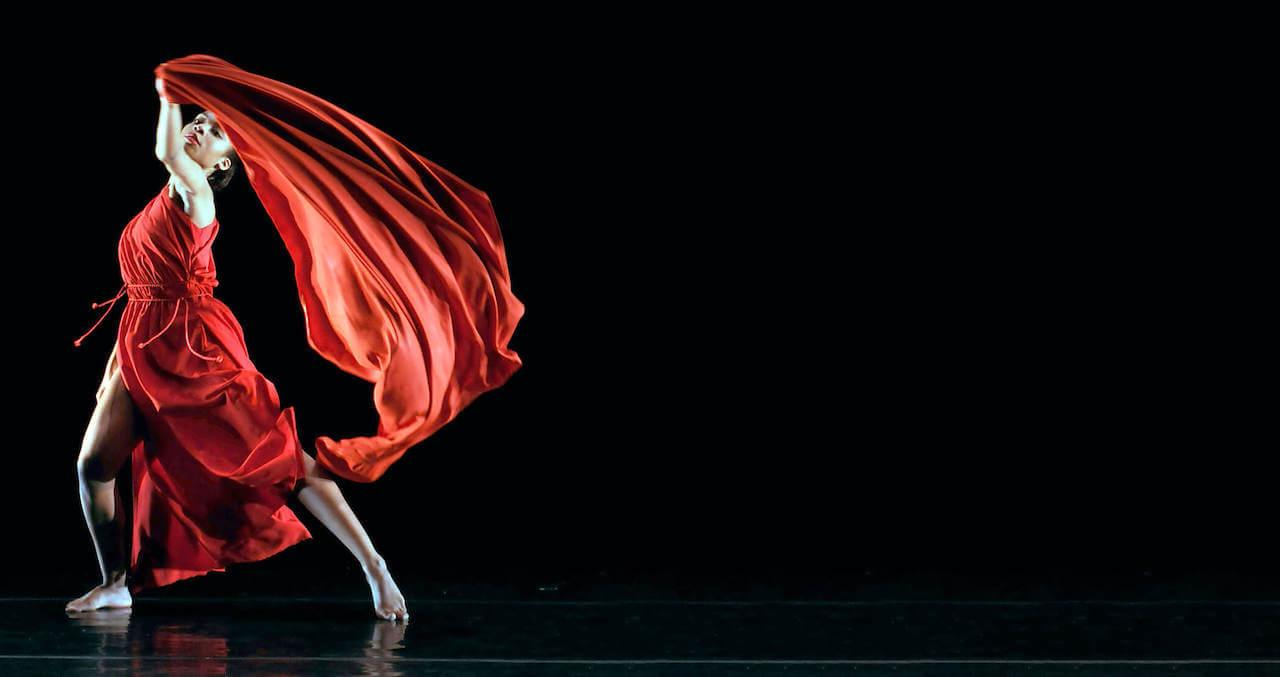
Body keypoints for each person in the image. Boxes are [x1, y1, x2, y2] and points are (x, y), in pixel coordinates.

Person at [65, 78, 409, 622]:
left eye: (216, 130)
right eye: (198, 119)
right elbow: (140, 295)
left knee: (282, 462)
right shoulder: (164, 198)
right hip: (142, 344)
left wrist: (166, 94)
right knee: (92, 466)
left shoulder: (196, 192)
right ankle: (114, 583)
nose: (201, 127)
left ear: (223, 165)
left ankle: (374, 566)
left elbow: (166, 150)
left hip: (195, 350)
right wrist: (115, 368)